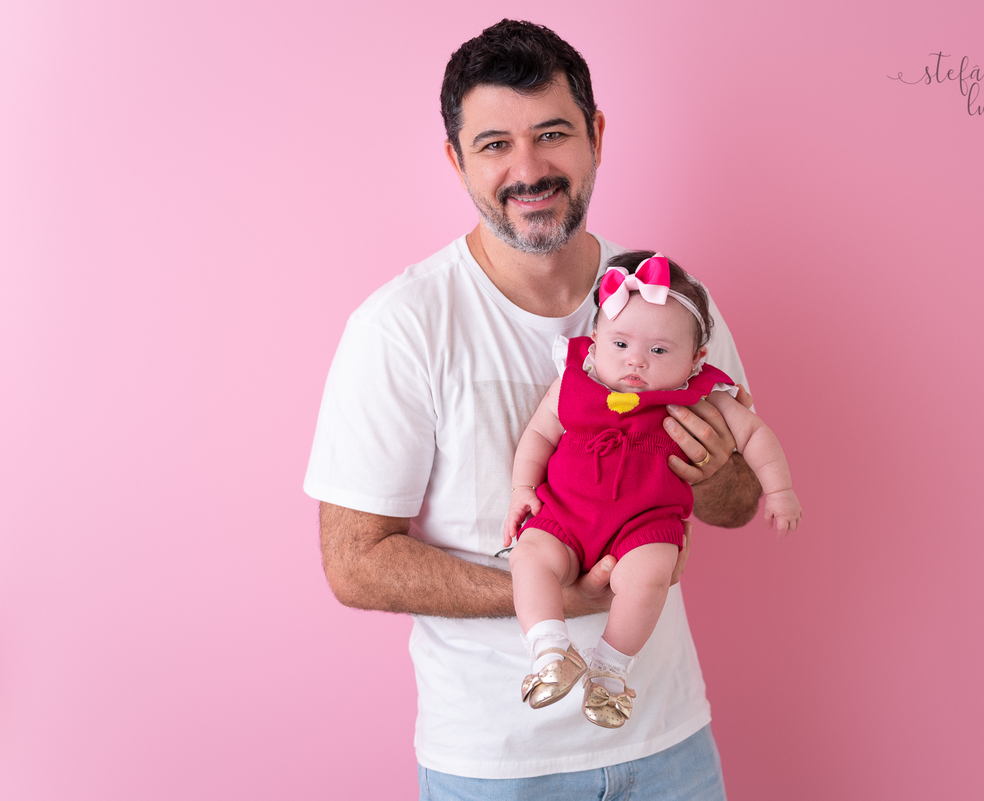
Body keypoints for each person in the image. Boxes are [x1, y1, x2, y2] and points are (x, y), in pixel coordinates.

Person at [304, 19, 763, 799]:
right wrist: (550, 595)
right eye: (494, 145)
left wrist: (715, 467)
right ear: (457, 161)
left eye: (552, 134)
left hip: (669, 743)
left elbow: (739, 502)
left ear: (596, 137)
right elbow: (355, 563)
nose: (528, 169)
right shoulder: (402, 326)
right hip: (495, 765)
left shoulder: (674, 307)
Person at [505, 251, 801, 730]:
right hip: (565, 515)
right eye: (620, 343)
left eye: (660, 351)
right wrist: (523, 487)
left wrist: (779, 490)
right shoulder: (574, 383)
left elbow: (754, 434)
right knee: (529, 557)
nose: (636, 360)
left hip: (643, 525)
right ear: (595, 341)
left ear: (696, 361)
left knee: (647, 579)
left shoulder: (699, 396)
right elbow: (538, 434)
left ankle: (610, 669)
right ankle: (550, 650)